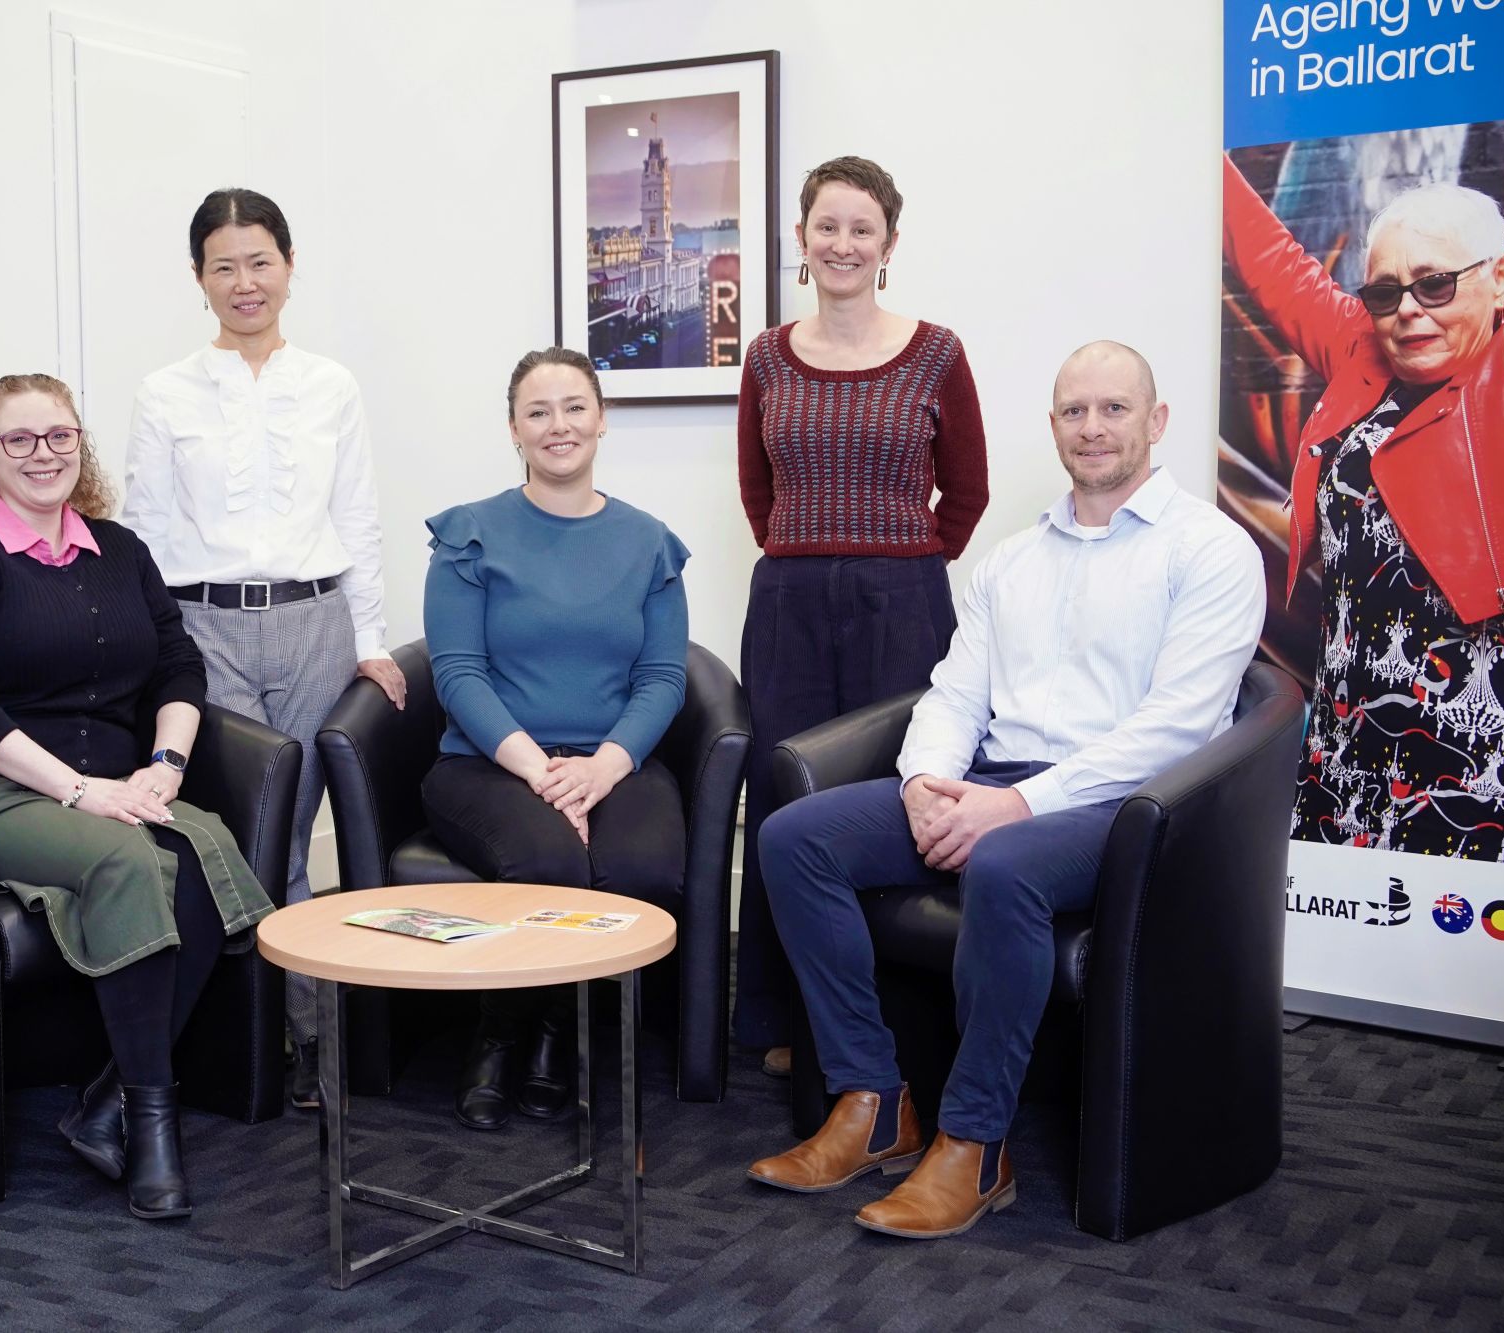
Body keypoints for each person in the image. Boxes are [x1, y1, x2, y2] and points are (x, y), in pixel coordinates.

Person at [746, 342, 1264, 1238]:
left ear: (1157, 421)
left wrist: (1018, 806)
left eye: (1113, 409)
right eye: (1074, 411)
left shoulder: (1211, 550)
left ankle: (975, 1144)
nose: (1093, 428)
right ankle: (873, 1099)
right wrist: (923, 785)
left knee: (1006, 865)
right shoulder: (1013, 559)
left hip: (1129, 806)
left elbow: (1177, 727)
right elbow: (952, 693)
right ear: (1054, 425)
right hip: (990, 783)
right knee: (797, 837)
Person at [0, 373, 273, 1221]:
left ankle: (108, 1100)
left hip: (117, 782)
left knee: (202, 851)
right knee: (124, 855)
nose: (44, 454)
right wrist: (78, 790)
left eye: (59, 435)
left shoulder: (123, 550)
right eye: (20, 439)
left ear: (81, 442)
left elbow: (179, 666)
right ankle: (152, 1125)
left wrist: (164, 768)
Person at [121, 188, 400, 1108]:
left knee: (293, 833)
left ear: (289, 266)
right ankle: (292, 1040)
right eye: (223, 265)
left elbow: (356, 518)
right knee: (252, 839)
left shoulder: (331, 384)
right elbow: (150, 533)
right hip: (206, 629)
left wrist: (369, 640)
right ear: (198, 279)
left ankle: (295, 1041)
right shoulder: (165, 392)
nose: (244, 282)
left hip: (315, 625)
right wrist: (156, 657)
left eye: (260, 261)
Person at [733, 156, 989, 1079]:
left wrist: (900, 562)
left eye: (861, 228)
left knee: (896, 794)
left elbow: (968, 489)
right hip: (789, 603)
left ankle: (903, 1019)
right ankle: (779, 1019)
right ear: (800, 239)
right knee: (783, 793)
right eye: (826, 226)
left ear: (887, 244)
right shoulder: (764, 355)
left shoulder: (937, 351)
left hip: (903, 605)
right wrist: (814, 554)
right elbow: (758, 493)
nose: (842, 243)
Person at [421, 346, 689, 1131]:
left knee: (644, 869)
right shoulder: (469, 534)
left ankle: (553, 1030)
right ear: (513, 429)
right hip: (490, 763)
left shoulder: (649, 542)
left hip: (612, 760)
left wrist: (602, 769)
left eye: (575, 407)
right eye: (538, 411)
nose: (558, 425)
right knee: (547, 860)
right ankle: (502, 1036)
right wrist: (543, 774)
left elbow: (663, 678)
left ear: (602, 419)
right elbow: (460, 675)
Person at [1223, 154, 1504, 860]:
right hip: (1349, 720)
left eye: (1436, 284)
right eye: (1386, 291)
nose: (1409, 308)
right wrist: (1193, 139)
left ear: (1499, 278)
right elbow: (1272, 262)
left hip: (1472, 742)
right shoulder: (1366, 346)